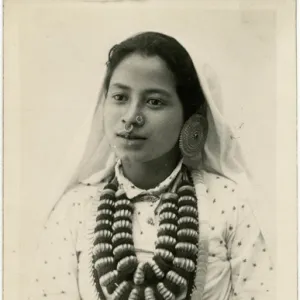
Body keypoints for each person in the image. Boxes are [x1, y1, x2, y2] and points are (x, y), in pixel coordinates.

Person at [28, 32, 275, 300]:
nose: (131, 117)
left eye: (154, 101)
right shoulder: (74, 210)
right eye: (120, 97)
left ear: (189, 117)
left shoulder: (229, 204)